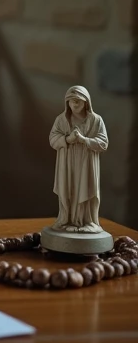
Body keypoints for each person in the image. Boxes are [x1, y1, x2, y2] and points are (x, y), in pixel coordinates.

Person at [49, 85, 108, 233]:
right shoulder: (61, 120)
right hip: (67, 164)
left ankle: (87, 221)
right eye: (71, 101)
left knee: (85, 189)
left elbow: (103, 143)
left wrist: (84, 140)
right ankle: (66, 219)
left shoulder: (96, 120)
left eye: (79, 101)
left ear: (86, 102)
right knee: (68, 189)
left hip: (86, 164)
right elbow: (53, 139)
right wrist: (67, 139)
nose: (75, 104)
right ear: (67, 103)